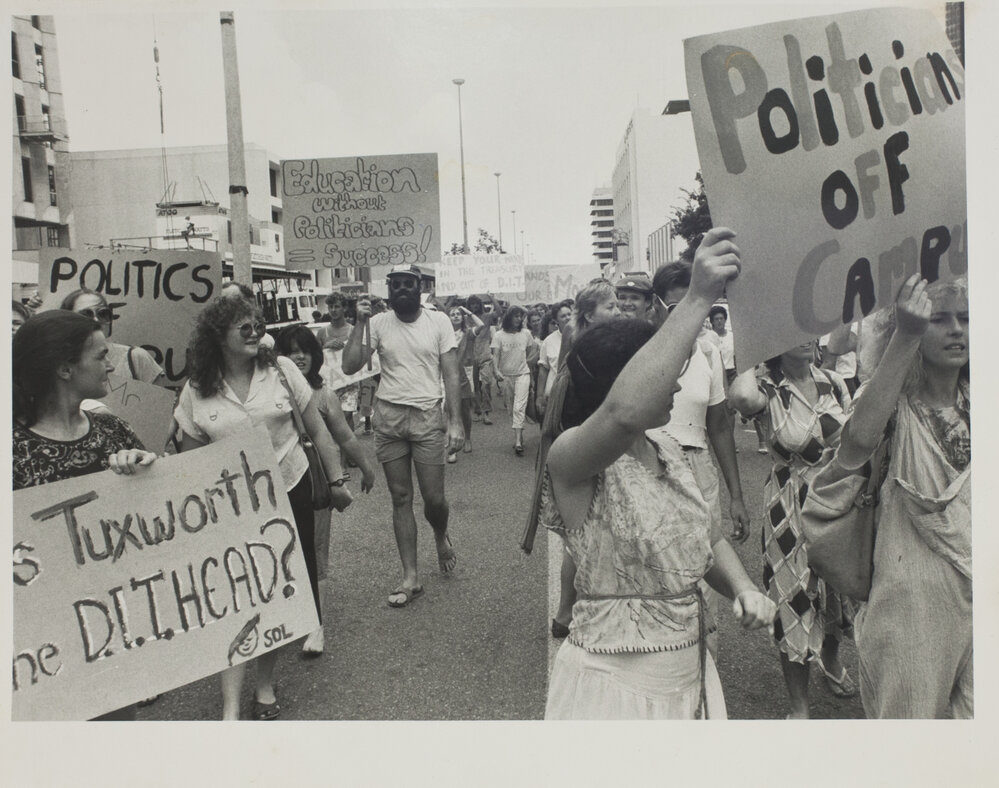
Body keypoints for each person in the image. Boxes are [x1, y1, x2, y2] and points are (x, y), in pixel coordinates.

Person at [544, 228, 774, 719]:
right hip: (613, 687)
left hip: (689, 673)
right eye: (660, 370)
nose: (674, 380)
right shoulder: (572, 458)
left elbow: (704, 539)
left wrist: (744, 588)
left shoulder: (667, 447)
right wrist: (697, 297)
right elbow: (624, 412)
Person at [174, 297, 345, 720]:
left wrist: (338, 480)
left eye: (257, 325)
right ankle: (231, 702)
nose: (255, 332)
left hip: (289, 488)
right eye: (243, 327)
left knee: (277, 587)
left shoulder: (282, 371)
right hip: (230, 505)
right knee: (235, 593)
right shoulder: (197, 387)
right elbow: (192, 459)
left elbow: (319, 430)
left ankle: (264, 684)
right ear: (217, 336)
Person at [834, 275, 970, 718]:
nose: (956, 330)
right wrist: (907, 335)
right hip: (911, 607)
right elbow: (856, 442)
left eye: (966, 319)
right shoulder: (893, 404)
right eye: (940, 319)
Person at [13, 310, 159, 720]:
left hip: (113, 625)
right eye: (100, 356)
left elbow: (159, 525)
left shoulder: (114, 431)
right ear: (64, 368)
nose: (111, 364)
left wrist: (146, 471)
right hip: (42, 642)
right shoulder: (13, 450)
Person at [729, 338, 857, 719]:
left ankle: (831, 662)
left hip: (834, 499)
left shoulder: (833, 382)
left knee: (837, 591)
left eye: (808, 334)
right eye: (792, 336)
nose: (805, 341)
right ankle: (798, 707)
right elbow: (740, 398)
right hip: (789, 505)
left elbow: (853, 436)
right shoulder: (767, 390)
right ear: (776, 347)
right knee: (793, 597)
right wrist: (752, 357)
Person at [342, 264, 463, 608]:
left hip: (426, 416)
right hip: (390, 417)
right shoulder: (377, 323)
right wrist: (360, 322)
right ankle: (410, 576)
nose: (402, 290)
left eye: (408, 284)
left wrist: (454, 422)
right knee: (399, 496)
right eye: (395, 285)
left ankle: (440, 534)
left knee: (434, 499)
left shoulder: (437, 321)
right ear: (388, 289)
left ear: (420, 287)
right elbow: (350, 366)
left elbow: (451, 373)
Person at [648, 261, 752, 659]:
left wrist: (736, 494)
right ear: (657, 306)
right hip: (650, 468)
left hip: (698, 467)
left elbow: (720, 427)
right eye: (679, 308)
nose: (692, 318)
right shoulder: (640, 349)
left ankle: (696, 658)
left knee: (704, 563)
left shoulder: (708, 351)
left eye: (700, 308)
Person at [274, 324, 375, 657]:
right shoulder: (269, 392)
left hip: (315, 482)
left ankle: (316, 626)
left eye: (304, 349)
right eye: (290, 350)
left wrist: (366, 468)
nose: (298, 356)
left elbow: (344, 437)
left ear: (315, 356)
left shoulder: (322, 393)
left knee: (316, 552)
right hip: (275, 484)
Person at [546, 280, 621, 636]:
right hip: (589, 450)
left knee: (583, 536)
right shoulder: (589, 349)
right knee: (584, 536)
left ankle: (567, 612)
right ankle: (571, 611)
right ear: (590, 314)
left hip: (586, 446)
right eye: (611, 307)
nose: (618, 311)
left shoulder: (585, 343)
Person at [60, 288, 165, 385]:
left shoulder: (135, 358)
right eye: (86, 314)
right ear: (67, 320)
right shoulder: (59, 364)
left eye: (103, 314)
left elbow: (159, 403)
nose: (96, 320)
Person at [491, 304, 533, 455]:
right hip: (506, 376)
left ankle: (518, 441)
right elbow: (496, 355)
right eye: (515, 315)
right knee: (511, 408)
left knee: (518, 407)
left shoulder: (526, 333)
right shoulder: (499, 335)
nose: (519, 318)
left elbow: (530, 352)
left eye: (520, 316)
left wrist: (528, 368)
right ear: (509, 317)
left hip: (523, 374)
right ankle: (518, 433)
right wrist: (495, 370)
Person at [447, 304, 485, 462]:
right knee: (449, 412)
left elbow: (481, 325)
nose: (456, 316)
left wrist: (467, 311)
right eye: (452, 314)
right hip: (447, 375)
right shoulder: (445, 334)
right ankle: (452, 448)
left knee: (464, 411)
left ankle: (467, 437)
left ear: (462, 317)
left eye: (458, 314)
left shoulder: (468, 333)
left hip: (464, 376)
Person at [317, 292, 360, 431]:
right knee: (332, 419)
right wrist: (325, 346)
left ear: (344, 308)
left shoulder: (352, 330)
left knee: (347, 416)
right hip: (329, 382)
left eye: (337, 306)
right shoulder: (323, 332)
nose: (333, 310)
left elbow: (359, 354)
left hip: (349, 382)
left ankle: (348, 450)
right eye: (330, 307)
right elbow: (316, 356)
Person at [535, 300, 573, 419]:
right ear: (556, 321)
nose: (567, 318)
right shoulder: (549, 341)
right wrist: (539, 396)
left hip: (575, 392)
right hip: (554, 392)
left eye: (569, 314)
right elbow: (543, 370)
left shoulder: (583, 336)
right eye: (563, 316)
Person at [466, 294, 497, 424]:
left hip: (485, 355)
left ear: (480, 305)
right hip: (471, 356)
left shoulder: (487, 317)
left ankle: (486, 412)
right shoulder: (465, 319)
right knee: (475, 387)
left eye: (476, 303)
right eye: (472, 303)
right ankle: (478, 410)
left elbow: (499, 312)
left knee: (486, 384)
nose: (474, 306)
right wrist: (451, 300)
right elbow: (446, 313)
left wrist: (492, 298)